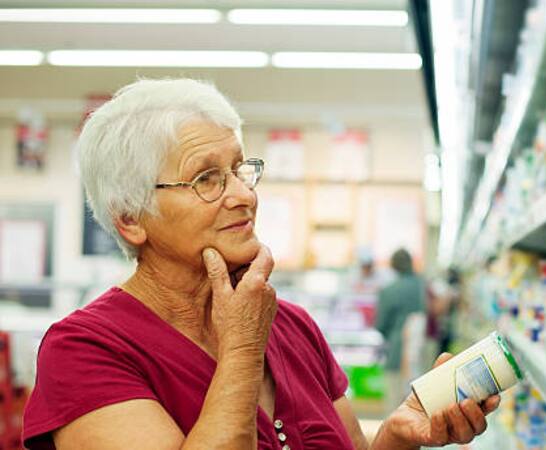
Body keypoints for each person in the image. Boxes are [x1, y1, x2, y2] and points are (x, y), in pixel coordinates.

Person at [21, 79, 500, 450]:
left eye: (239, 169)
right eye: (208, 179)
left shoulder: (292, 326)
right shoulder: (85, 351)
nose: (244, 195)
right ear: (130, 219)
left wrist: (397, 436)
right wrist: (243, 347)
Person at [374, 249, 426, 413]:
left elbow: (380, 325)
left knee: (395, 406)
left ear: (393, 266)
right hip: (422, 353)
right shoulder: (423, 285)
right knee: (419, 405)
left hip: (397, 353)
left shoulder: (389, 291)